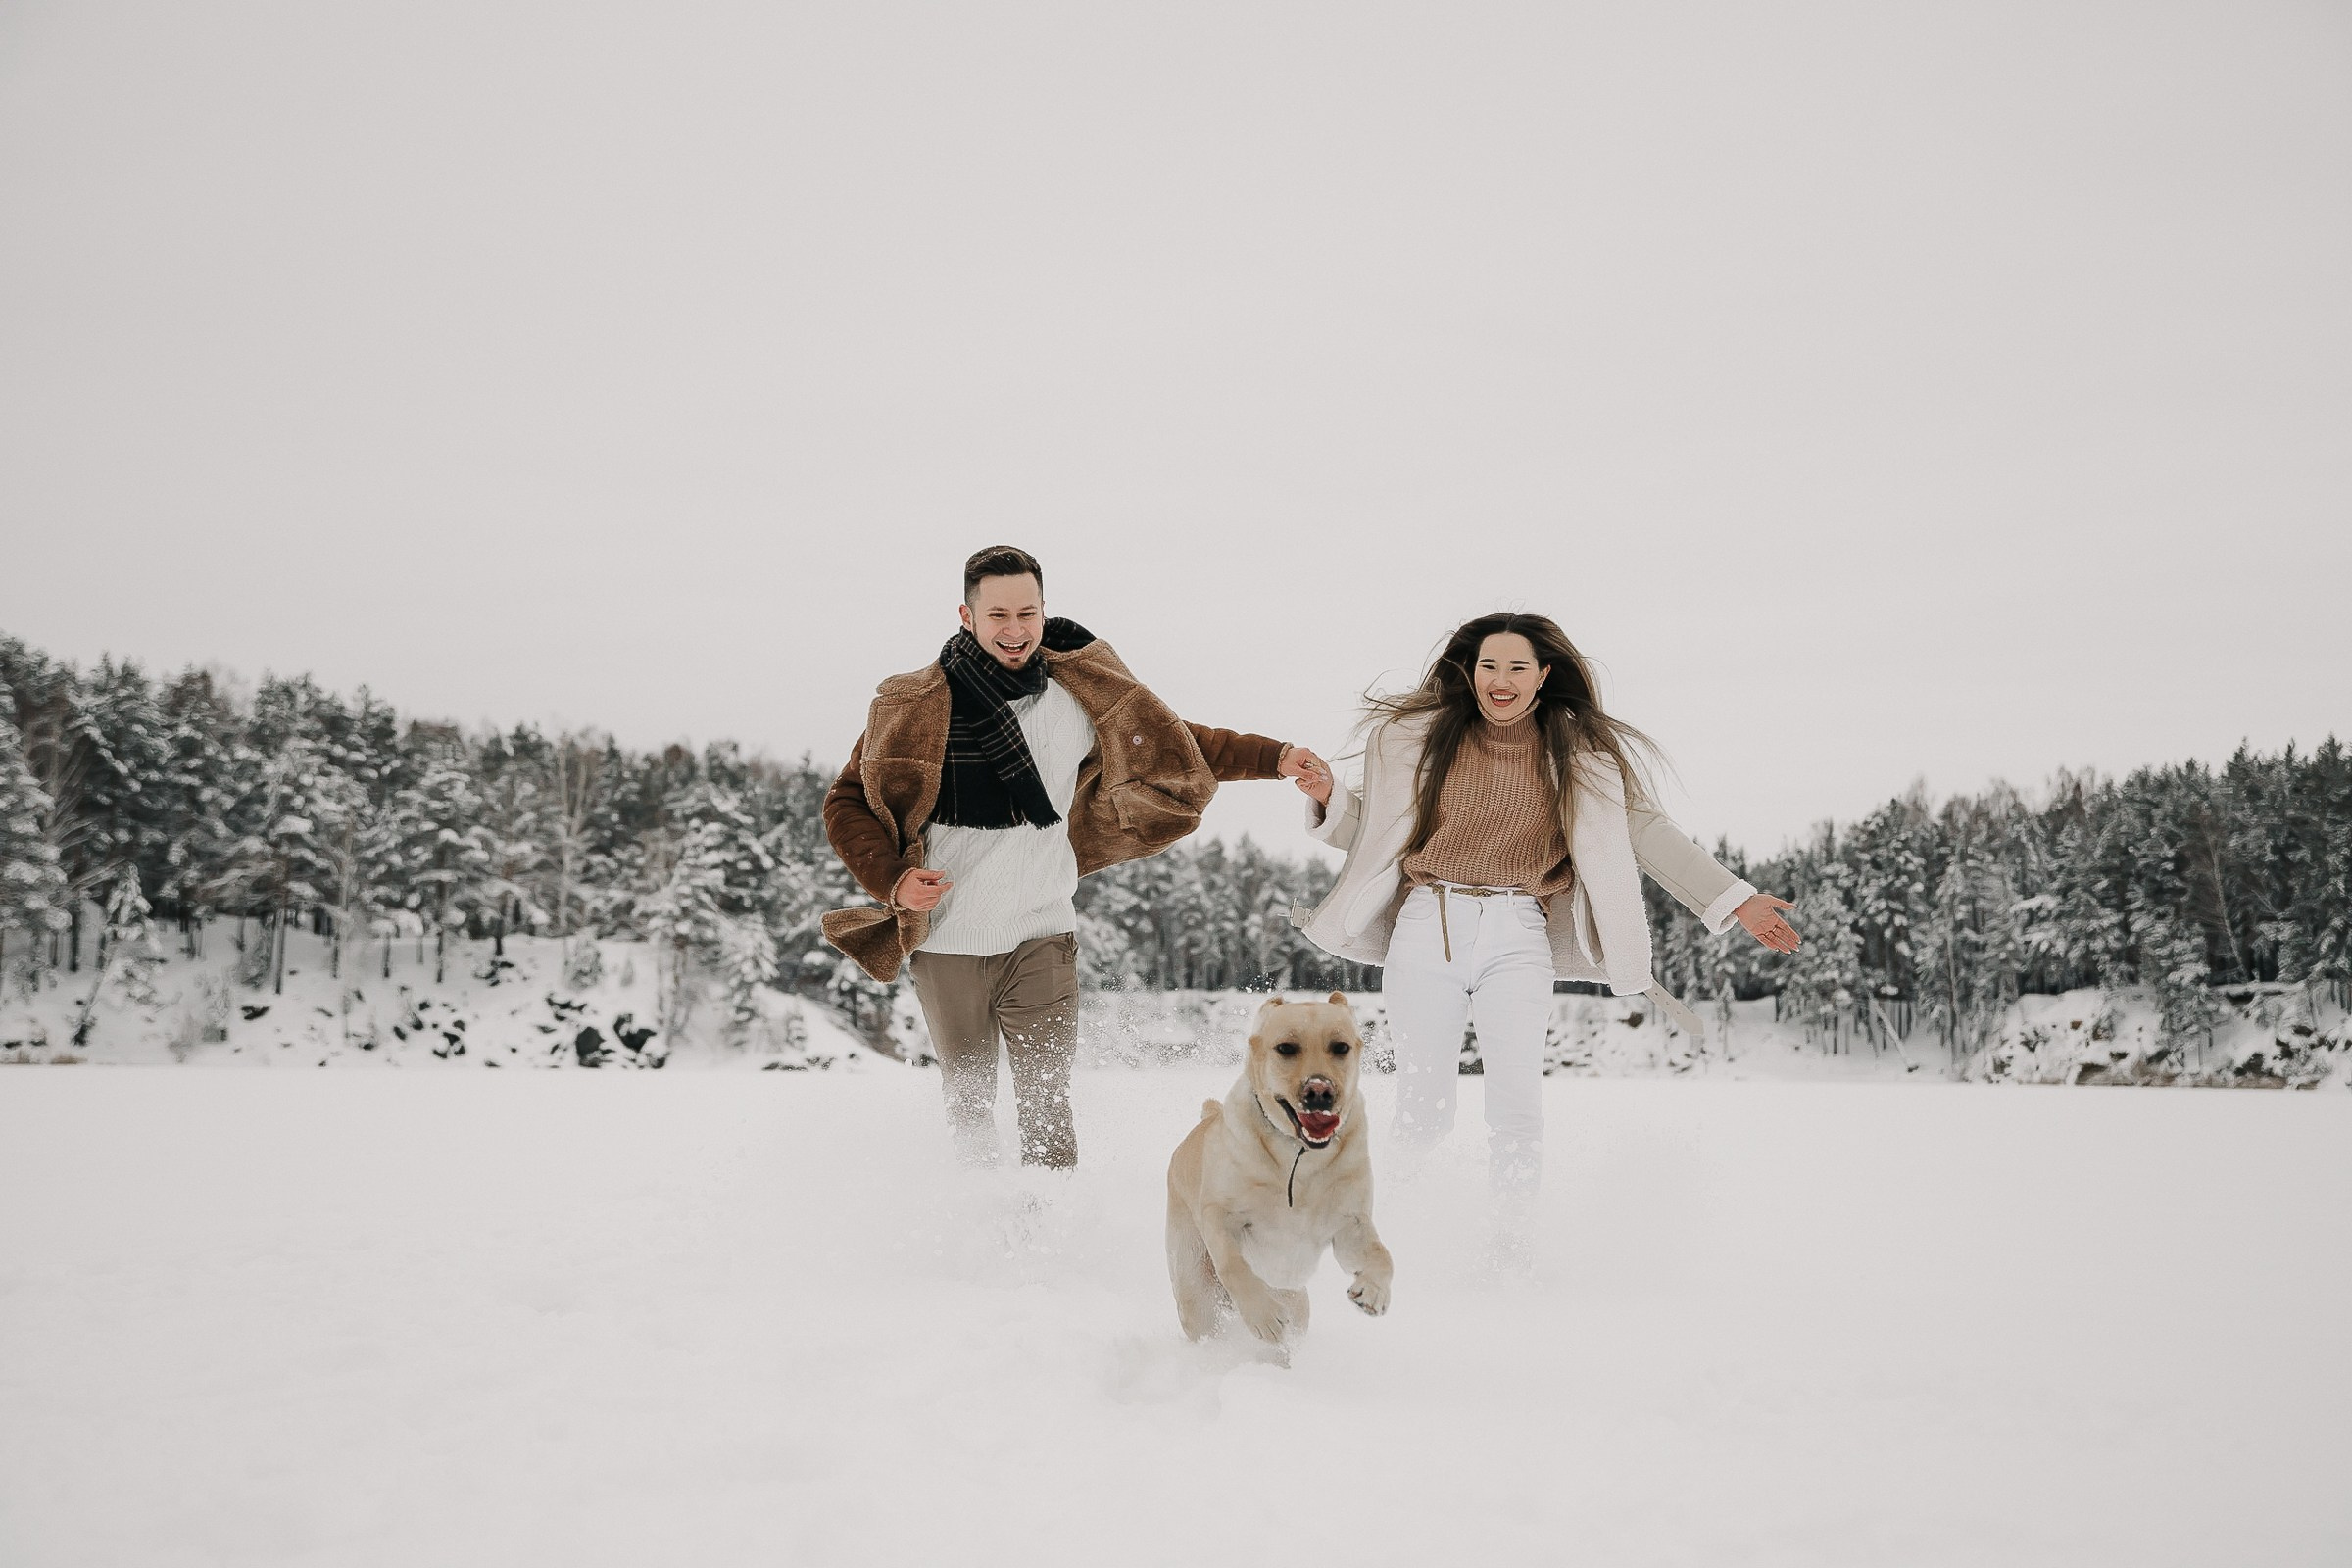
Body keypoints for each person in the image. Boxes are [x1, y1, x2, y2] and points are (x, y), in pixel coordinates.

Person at [822, 545, 1324, 1169]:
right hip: (948, 938)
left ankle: (1050, 1238)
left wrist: (1275, 757)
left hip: (1041, 933)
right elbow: (848, 799)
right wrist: (892, 880)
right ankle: (979, 1223)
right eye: (998, 614)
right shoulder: (914, 708)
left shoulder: (1075, 699)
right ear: (967, 615)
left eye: (1028, 613)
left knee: (1046, 1104)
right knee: (970, 1103)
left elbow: (1173, 743)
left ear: (1042, 613)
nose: (1015, 631)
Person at [1291, 612, 1799, 1203]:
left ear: (1543, 675)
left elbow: (1650, 832)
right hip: (1427, 927)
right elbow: (1379, 834)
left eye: (1516, 666)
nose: (1499, 679)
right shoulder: (1423, 742)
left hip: (1519, 933)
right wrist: (1330, 796)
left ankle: (1511, 1257)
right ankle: (1381, 1231)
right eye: (1487, 665)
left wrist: (1736, 900)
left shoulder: (1581, 757)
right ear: (1470, 671)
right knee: (1424, 1112)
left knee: (1516, 1113)